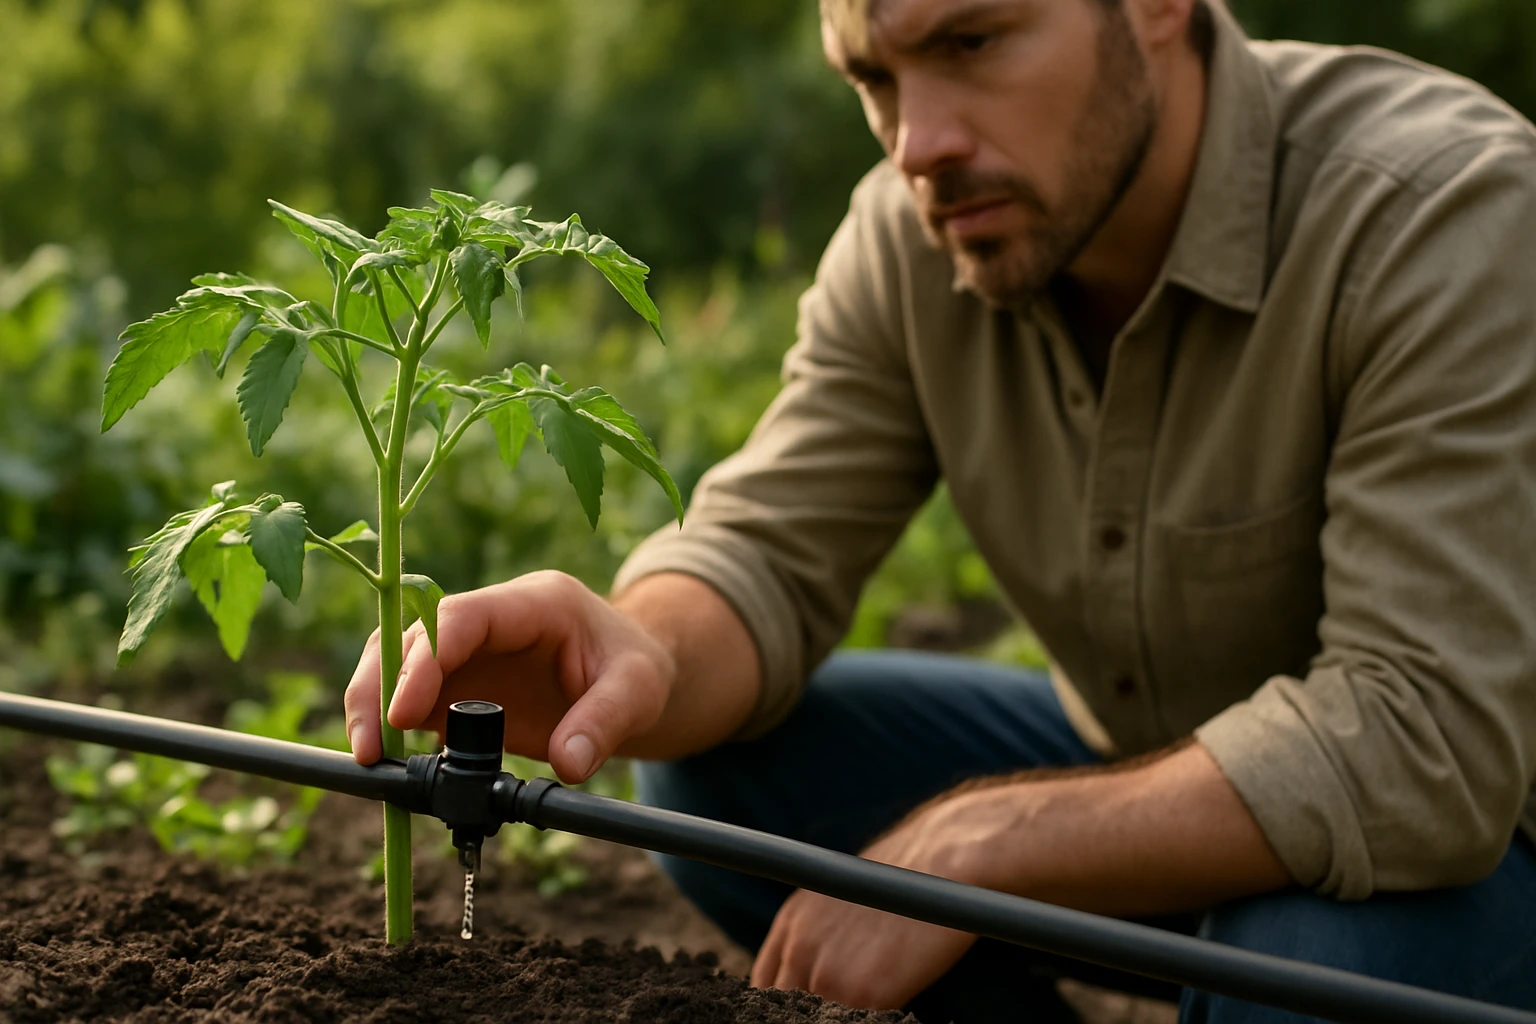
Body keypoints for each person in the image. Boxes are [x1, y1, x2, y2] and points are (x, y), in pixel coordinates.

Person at [346, 0, 1536, 1018]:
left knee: (1310, 971)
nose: (919, 143)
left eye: (971, 40)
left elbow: (1424, 739)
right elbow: (771, 543)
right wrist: (637, 646)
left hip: (1486, 837)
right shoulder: (923, 235)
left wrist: (982, 845)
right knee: (725, 776)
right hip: (1162, 771)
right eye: (874, 75)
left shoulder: (1441, 211)